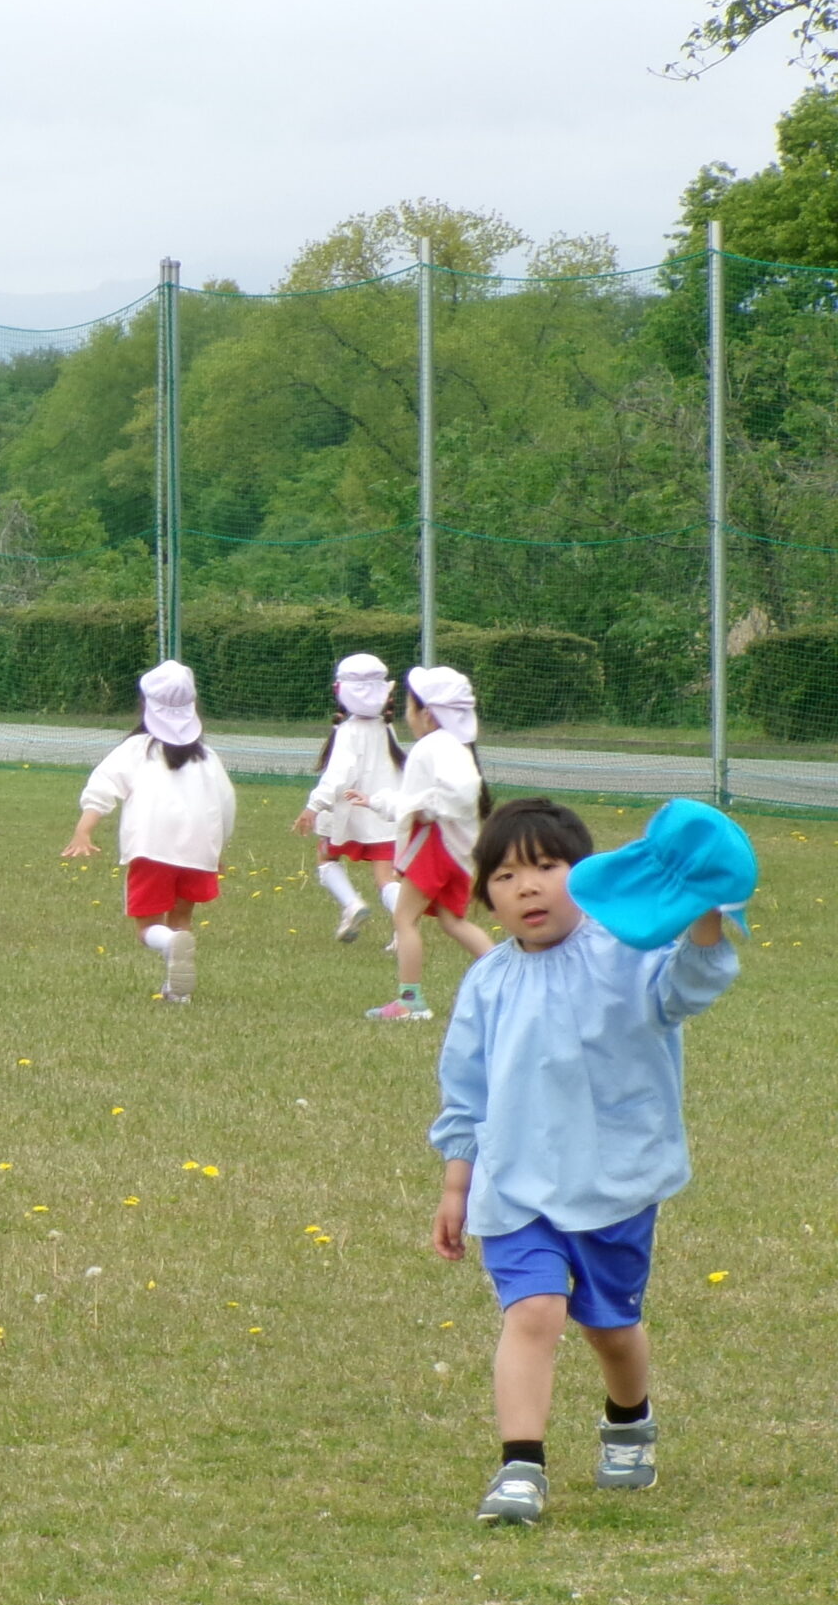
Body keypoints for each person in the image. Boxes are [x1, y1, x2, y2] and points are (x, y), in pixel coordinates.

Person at [430, 797, 748, 1526]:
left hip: (613, 1180)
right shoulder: (487, 982)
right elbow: (466, 1090)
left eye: (547, 866)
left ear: (588, 875)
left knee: (609, 1326)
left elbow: (688, 987)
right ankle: (521, 1467)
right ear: (486, 898)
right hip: (514, 1185)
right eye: (505, 876)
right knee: (534, 1310)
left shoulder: (626, 953)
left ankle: (629, 1420)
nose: (528, 886)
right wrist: (456, 1182)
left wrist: (703, 909)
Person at [60, 660, 237, 1004]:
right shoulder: (208, 757)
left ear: (145, 705)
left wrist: (84, 830)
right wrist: (217, 850)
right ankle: (177, 991)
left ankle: (169, 944)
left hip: (151, 848)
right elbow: (226, 804)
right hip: (200, 849)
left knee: (147, 929)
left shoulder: (136, 749)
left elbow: (102, 788)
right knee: (181, 917)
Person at [350, 664, 493, 1021]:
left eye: (409, 707)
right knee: (453, 921)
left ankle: (410, 1002)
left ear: (427, 714)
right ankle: (510, 978)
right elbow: (420, 798)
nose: (406, 715)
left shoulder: (433, 746)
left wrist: (424, 807)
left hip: (435, 849)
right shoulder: (454, 746)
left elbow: (451, 795)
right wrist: (378, 801)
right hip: (457, 852)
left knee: (404, 919)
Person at [291, 652, 401, 943]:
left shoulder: (348, 731)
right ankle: (404, 929)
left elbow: (338, 776)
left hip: (350, 814)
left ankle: (352, 904)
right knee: (386, 878)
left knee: (326, 856)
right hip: (384, 817)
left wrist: (313, 806)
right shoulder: (387, 728)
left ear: (339, 690)